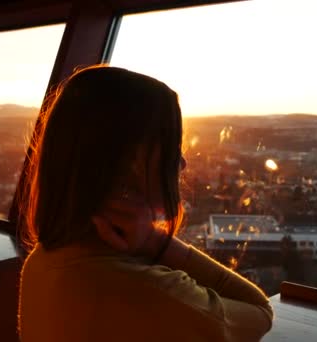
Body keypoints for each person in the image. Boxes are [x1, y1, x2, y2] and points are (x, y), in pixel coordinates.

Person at [18, 66, 273, 341]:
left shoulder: (42, 262)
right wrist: (156, 242)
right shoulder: (150, 292)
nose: (182, 162)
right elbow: (259, 313)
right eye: (170, 148)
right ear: (129, 163)